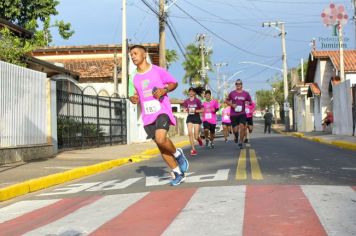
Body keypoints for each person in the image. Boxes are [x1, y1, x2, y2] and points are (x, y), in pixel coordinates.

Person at [129, 45, 188, 186]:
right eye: (131, 54)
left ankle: (178, 155)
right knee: (161, 147)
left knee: (161, 139)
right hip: (147, 116)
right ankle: (178, 173)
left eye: (135, 53)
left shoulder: (157, 71)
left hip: (161, 110)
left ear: (144, 54)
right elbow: (137, 95)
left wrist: (164, 90)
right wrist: (135, 98)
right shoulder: (134, 77)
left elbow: (174, 83)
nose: (133, 56)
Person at [226, 79, 252, 149]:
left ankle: (240, 142)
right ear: (235, 85)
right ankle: (236, 136)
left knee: (242, 127)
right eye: (237, 84)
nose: (238, 85)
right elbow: (226, 101)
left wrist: (248, 103)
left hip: (242, 113)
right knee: (235, 130)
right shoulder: (232, 93)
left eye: (239, 84)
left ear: (241, 85)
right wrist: (232, 105)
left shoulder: (246, 93)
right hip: (234, 114)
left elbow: (250, 101)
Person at [183, 87, 204, 155]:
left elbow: (202, 110)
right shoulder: (186, 101)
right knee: (190, 133)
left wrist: (195, 110)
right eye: (190, 92)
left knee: (196, 136)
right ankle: (193, 149)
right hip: (190, 118)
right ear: (188, 93)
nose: (191, 93)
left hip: (196, 118)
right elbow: (185, 109)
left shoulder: (197, 100)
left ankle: (199, 139)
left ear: (194, 93)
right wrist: (185, 110)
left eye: (192, 92)